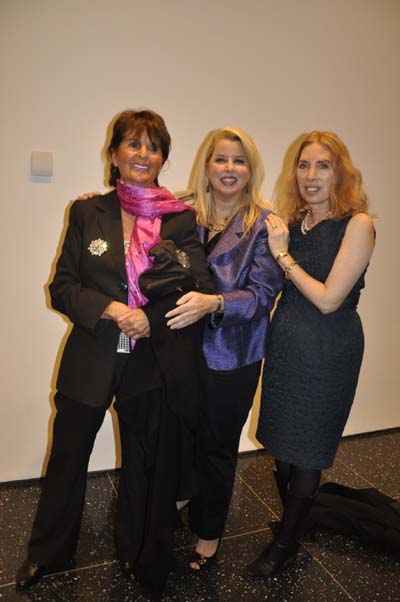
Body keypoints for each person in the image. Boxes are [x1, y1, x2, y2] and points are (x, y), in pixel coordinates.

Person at [16, 109, 216, 596]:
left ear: (163, 158)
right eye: (133, 144)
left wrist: (151, 315)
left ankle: (136, 552)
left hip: (150, 359)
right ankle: (49, 554)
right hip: (92, 355)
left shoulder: (181, 220)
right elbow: (62, 287)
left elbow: (199, 283)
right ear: (114, 155)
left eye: (153, 147)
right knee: (68, 456)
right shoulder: (88, 212)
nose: (143, 154)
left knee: (143, 465)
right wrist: (110, 308)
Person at [245, 131, 375, 578]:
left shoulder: (358, 224)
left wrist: (283, 257)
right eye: (303, 165)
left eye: (323, 166)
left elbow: (328, 299)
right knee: (282, 446)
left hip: (327, 350)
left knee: (307, 450)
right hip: (286, 347)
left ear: (340, 172)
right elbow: (231, 210)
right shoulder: (293, 222)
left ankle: (285, 545)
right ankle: (294, 526)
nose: (311, 175)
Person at [165, 127, 283, 569]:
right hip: (181, 349)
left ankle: (209, 531)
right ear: (207, 166)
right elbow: (134, 215)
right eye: (221, 159)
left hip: (232, 355)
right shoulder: (183, 210)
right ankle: (181, 494)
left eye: (239, 160)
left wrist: (214, 303)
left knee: (216, 446)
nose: (229, 168)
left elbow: (261, 296)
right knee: (179, 434)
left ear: (251, 170)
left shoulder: (264, 225)